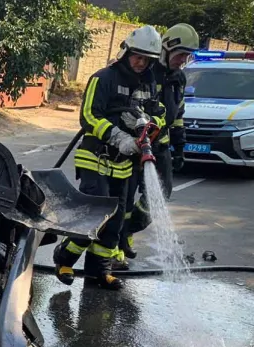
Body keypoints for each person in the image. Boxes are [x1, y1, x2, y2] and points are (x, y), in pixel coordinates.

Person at [53, 26, 164, 290]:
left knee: (115, 221)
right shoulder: (103, 78)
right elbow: (89, 116)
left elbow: (160, 113)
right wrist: (118, 137)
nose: (140, 63)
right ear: (126, 52)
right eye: (137, 56)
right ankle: (64, 258)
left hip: (124, 165)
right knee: (95, 215)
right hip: (95, 158)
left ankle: (99, 273)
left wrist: (148, 124)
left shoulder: (149, 84)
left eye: (146, 59)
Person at [119, 23, 200, 263]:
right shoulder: (147, 71)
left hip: (160, 147)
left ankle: (128, 230)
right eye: (181, 55)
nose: (183, 60)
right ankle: (118, 243)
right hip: (136, 145)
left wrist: (180, 147)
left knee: (160, 195)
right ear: (167, 48)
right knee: (125, 198)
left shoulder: (179, 78)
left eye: (187, 56)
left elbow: (178, 114)